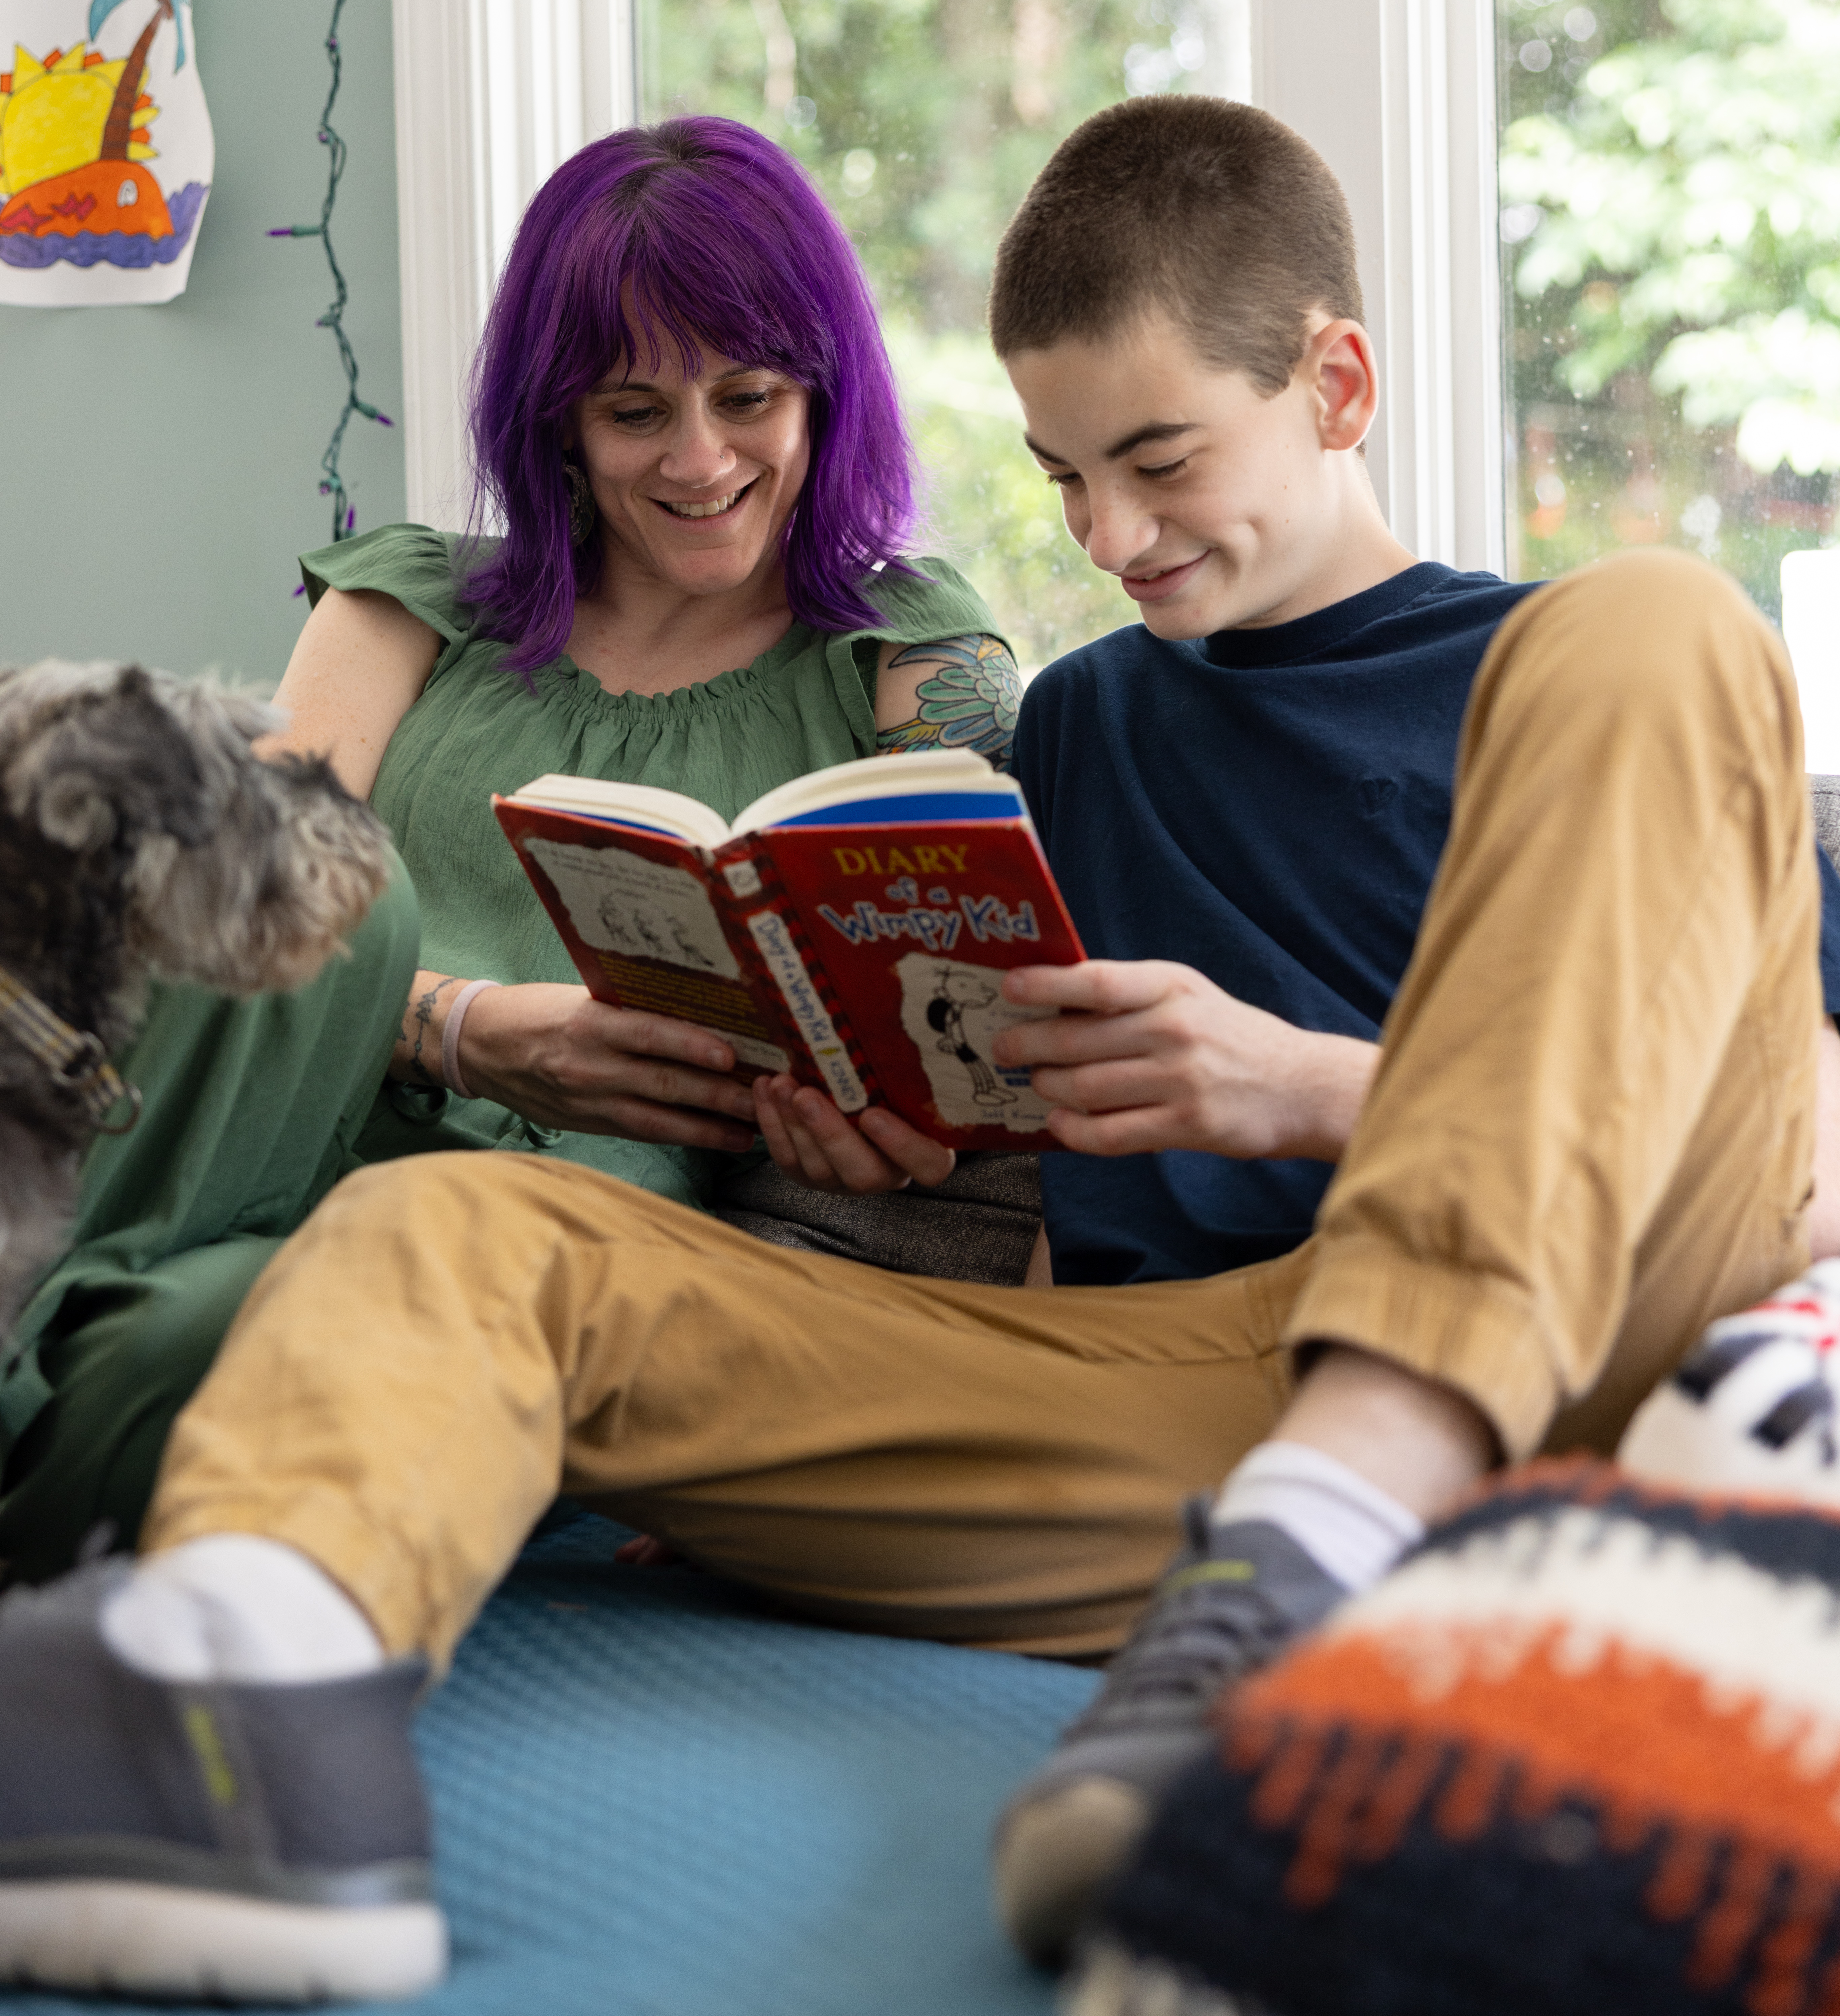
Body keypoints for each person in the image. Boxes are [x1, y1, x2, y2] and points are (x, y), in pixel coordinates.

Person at [3, 97, 1837, 2007]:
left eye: (1157, 461)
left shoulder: (1565, 676)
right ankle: (240, 1721)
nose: (1109, 537)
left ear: (1338, 382)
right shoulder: (1071, 730)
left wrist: (1296, 1088)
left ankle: (1325, 1526)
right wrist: (880, 1146)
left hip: (1585, 1344)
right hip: (1181, 1420)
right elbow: (1023, 1192)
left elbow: (1799, 1165)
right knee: (459, 1235)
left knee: (1661, 611)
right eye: (1059, 480)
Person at [0, 116, 1027, 1589]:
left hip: (532, 1268)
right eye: (631, 411)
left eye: (748, 396)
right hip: (244, 1148)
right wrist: (463, 1032)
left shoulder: (909, 662)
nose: (699, 459)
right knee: (288, 875)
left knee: (198, 1346)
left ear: (825, 390)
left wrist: (866, 1132)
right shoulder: (408, 603)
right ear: (557, 419)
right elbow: (221, 956)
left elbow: (976, 1053)